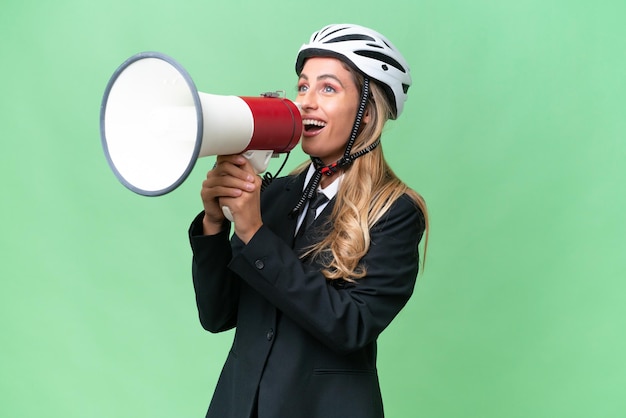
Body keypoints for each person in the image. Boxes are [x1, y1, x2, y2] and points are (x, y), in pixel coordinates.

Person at [188, 23, 429, 418]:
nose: (306, 102)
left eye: (328, 88)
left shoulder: (395, 211)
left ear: (367, 113)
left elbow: (351, 325)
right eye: (303, 87)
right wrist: (216, 224)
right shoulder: (274, 195)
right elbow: (218, 315)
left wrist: (253, 233)